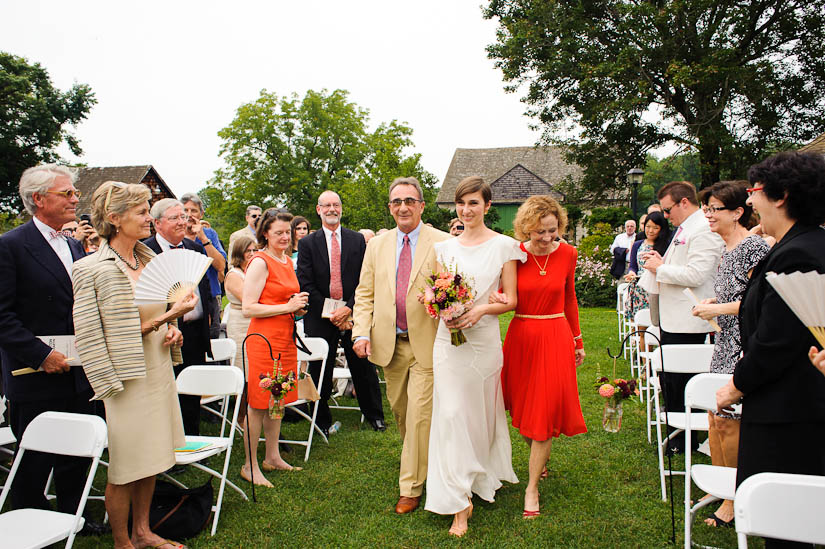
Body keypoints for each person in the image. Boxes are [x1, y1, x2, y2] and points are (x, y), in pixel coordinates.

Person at [73, 181, 198, 549]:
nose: (149, 218)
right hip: (123, 377)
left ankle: (143, 532)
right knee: (127, 463)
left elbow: (160, 315)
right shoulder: (89, 269)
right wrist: (168, 317)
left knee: (153, 456)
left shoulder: (150, 261)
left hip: (158, 368)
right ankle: (121, 541)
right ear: (114, 219)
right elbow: (94, 335)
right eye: (142, 212)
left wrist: (172, 328)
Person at [716, 152, 825, 549]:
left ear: (781, 196)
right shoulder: (802, 244)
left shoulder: (798, 253)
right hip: (798, 406)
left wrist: (736, 386)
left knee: (786, 525)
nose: (749, 201)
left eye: (754, 191)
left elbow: (777, 340)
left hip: (789, 412)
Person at [0, 165, 104, 535]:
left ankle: (76, 517)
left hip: (76, 367)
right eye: (67, 194)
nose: (76, 199)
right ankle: (27, 525)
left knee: (75, 448)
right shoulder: (11, 245)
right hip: (34, 374)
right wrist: (40, 355)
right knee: (35, 456)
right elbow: (2, 315)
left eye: (75, 193)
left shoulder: (74, 244)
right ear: (39, 199)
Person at [423, 176, 522, 537]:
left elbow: (511, 299)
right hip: (447, 342)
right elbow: (437, 290)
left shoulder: (505, 247)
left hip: (483, 342)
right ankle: (458, 500)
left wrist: (479, 312)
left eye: (474, 203)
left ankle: (478, 474)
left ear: (487, 206)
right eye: (461, 203)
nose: (466, 210)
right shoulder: (445, 249)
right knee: (450, 414)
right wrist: (440, 308)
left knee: (479, 415)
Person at [352, 177, 451, 515]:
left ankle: (411, 487)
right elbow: (364, 294)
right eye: (397, 202)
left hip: (428, 343)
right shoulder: (377, 245)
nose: (403, 207)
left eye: (410, 200)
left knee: (420, 414)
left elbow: (452, 288)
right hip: (389, 345)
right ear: (390, 208)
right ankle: (427, 460)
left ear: (422, 206)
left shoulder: (442, 242)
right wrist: (360, 333)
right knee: (402, 412)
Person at [491, 195, 586, 521]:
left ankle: (532, 486)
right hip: (522, 337)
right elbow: (507, 297)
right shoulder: (515, 256)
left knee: (544, 411)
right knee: (525, 404)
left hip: (555, 336)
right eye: (539, 232)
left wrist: (577, 340)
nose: (546, 238)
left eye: (552, 230)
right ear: (525, 229)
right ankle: (538, 458)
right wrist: (497, 297)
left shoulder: (569, 253)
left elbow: (569, 298)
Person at [689, 181, 769, 527]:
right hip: (724, 343)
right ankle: (722, 488)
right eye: (705, 208)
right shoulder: (727, 248)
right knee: (715, 419)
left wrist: (717, 308)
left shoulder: (754, 249)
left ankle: (736, 500)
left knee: (731, 423)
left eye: (714, 209)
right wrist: (714, 306)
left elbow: (760, 304)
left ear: (738, 212)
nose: (707, 214)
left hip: (743, 345)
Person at [644, 181, 723, 454]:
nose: (665, 216)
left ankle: (688, 438)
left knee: (684, 381)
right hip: (674, 317)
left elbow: (697, 275)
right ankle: (678, 436)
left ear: (684, 202)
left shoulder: (703, 229)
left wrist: (661, 267)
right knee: (671, 380)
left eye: (667, 210)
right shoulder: (686, 228)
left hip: (690, 319)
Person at [297, 191, 385, 435]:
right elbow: (305, 283)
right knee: (320, 369)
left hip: (353, 313)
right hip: (320, 316)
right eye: (326, 205)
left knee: (363, 365)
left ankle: (374, 415)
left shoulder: (356, 240)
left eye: (336, 205)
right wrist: (332, 313)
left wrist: (348, 308)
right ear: (318, 210)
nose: (331, 209)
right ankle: (321, 418)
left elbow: (365, 280)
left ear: (341, 208)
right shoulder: (307, 244)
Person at [241, 209, 308, 485]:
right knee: (258, 403)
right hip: (263, 340)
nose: (284, 237)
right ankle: (249, 464)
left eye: (287, 232)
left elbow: (282, 299)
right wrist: (287, 306)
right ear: (265, 233)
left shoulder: (285, 260)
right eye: (278, 232)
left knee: (278, 398)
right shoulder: (260, 261)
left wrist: (297, 308)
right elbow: (248, 307)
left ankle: (272, 455)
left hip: (284, 337)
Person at [144, 199, 214, 436]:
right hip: (164, 333)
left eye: (183, 217)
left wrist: (209, 318)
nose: (182, 222)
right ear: (156, 223)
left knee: (193, 389)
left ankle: (192, 438)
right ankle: (169, 442)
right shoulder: (145, 250)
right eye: (174, 218)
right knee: (167, 391)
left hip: (196, 331)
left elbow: (204, 285)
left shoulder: (193, 247)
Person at [181, 193, 227, 340]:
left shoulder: (209, 234)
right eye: (185, 211)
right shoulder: (176, 236)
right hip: (184, 295)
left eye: (193, 211)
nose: (189, 215)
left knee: (212, 339)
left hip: (210, 295)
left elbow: (221, 265)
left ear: (201, 214)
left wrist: (203, 238)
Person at [624, 211, 671, 321]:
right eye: (648, 226)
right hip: (639, 289)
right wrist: (632, 273)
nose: (650, 231)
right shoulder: (637, 245)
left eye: (655, 227)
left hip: (657, 289)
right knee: (641, 327)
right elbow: (633, 266)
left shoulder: (666, 245)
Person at [225, 235, 256, 371]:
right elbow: (247, 298)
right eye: (248, 251)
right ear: (239, 252)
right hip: (240, 323)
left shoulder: (253, 271)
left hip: (254, 322)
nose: (252, 254)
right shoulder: (234, 275)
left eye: (255, 250)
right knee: (243, 363)